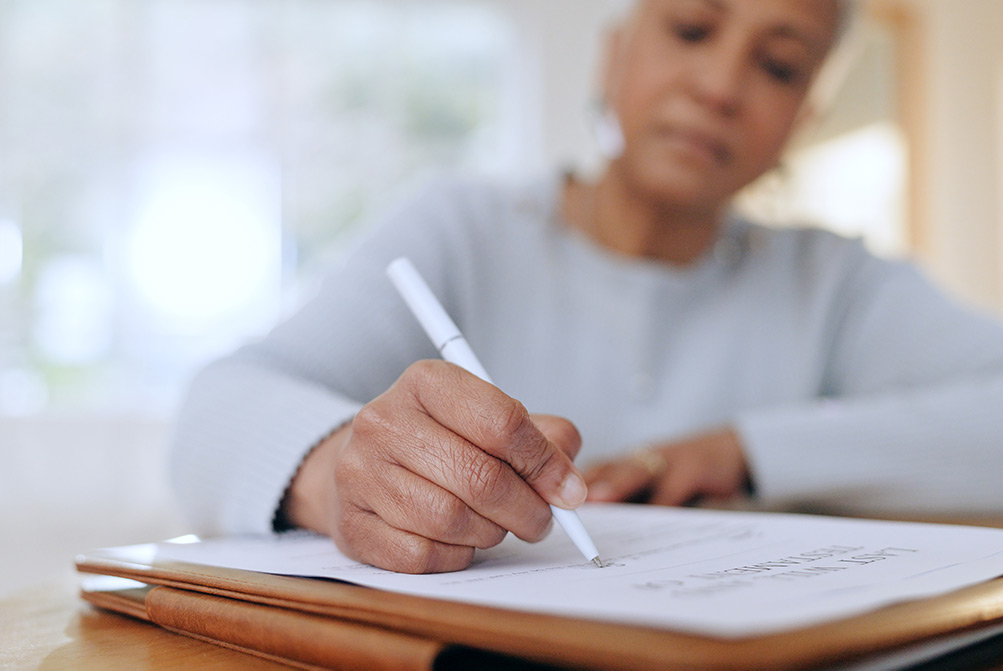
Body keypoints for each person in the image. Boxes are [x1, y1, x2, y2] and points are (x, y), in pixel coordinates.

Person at [171, 0, 1003, 574]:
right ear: (615, 51)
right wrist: (335, 472)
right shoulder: (462, 228)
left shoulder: (833, 282)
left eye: (779, 67)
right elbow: (216, 407)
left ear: (804, 118)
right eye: (689, 27)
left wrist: (743, 451)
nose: (718, 88)